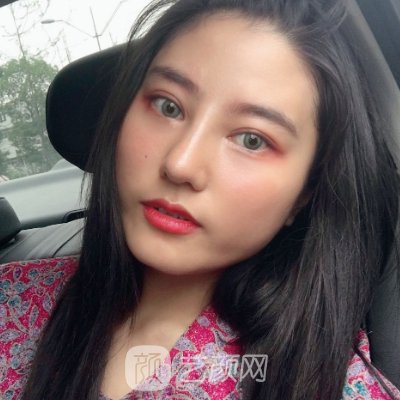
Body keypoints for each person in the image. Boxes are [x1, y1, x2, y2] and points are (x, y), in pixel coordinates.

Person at [0, 0, 399, 399]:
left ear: (304, 193)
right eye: (168, 106)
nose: (181, 164)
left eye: (252, 140)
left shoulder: (331, 386)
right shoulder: (12, 301)